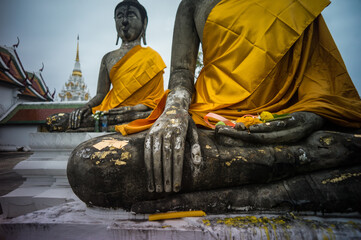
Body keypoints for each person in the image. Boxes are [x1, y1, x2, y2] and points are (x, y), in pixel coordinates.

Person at [117, 0, 361, 194]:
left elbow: (322, 77)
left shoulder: (296, 2)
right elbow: (182, 73)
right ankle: (286, 186)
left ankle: (263, 191)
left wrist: (310, 116)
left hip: (289, 120)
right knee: (106, 162)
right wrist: (175, 111)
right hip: (212, 121)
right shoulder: (192, 4)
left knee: (344, 145)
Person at [66, 0, 166, 130]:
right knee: (61, 120)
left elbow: (156, 100)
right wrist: (87, 107)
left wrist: (133, 109)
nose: (124, 21)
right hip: (111, 113)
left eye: (131, 15)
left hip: (139, 113)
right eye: (119, 16)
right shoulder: (108, 58)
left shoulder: (153, 58)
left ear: (144, 23)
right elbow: (101, 94)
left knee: (159, 116)